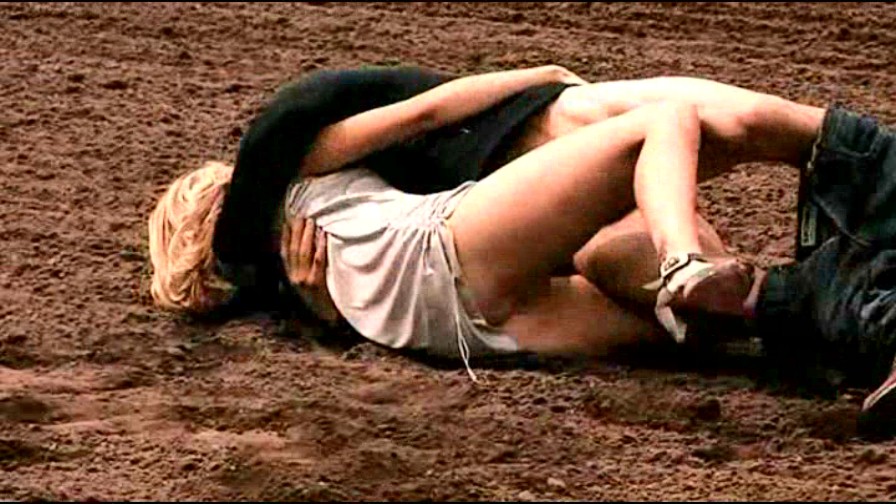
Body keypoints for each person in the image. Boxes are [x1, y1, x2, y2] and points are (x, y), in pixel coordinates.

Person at [148, 65, 825, 382]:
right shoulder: (298, 169)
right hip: (441, 247)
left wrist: (322, 315)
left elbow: (339, 316)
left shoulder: (291, 289)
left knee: (684, 330)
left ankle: (821, 317)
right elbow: (425, 112)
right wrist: (539, 77)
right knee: (663, 122)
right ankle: (683, 259)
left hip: (455, 335)